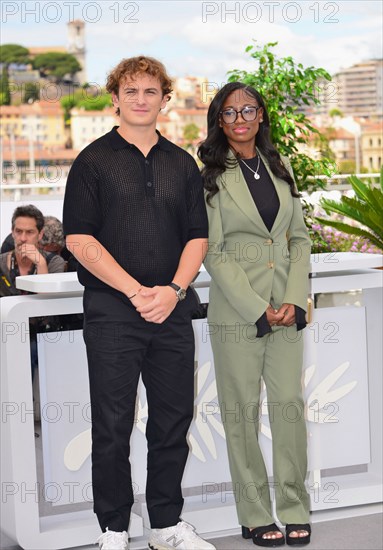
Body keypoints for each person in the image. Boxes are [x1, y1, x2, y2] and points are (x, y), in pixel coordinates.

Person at [62, 56, 214, 550]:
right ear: (115, 100)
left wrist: (171, 292)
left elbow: (198, 238)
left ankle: (166, 526)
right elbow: (79, 240)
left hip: (171, 309)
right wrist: (134, 291)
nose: (141, 100)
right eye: (132, 92)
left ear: (165, 100)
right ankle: (113, 529)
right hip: (112, 311)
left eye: (151, 92)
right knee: (112, 423)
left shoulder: (181, 164)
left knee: (173, 420)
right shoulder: (92, 161)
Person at [198, 82, 312, 547]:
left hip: (287, 312)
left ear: (261, 115)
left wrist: (293, 299)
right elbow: (214, 251)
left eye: (248, 110)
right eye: (229, 112)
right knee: (241, 416)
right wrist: (257, 307)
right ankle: (254, 513)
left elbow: (299, 240)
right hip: (238, 316)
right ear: (219, 121)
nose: (240, 118)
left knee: (289, 411)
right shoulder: (208, 177)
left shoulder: (279, 168)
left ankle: (294, 507)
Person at [0, 205, 66, 297]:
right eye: (18, 231)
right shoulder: (1, 262)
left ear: (40, 235)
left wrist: (41, 263)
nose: (23, 238)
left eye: (30, 232)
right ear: (12, 232)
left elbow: (49, 303)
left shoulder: (54, 262)